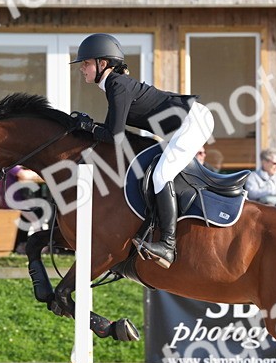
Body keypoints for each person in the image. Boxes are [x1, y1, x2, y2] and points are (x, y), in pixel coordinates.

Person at [72, 33, 214, 268]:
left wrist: (87, 126)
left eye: (86, 63)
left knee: (160, 175)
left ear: (103, 64)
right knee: (158, 173)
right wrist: (91, 127)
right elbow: (111, 131)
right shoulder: (115, 86)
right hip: (186, 123)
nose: (82, 68)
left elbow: (114, 136)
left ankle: (168, 246)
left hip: (193, 121)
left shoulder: (117, 85)